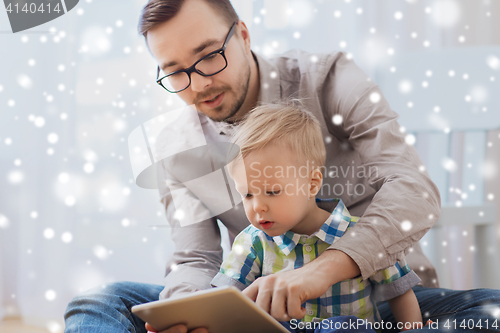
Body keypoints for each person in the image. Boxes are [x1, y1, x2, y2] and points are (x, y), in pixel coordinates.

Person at [63, 0, 500, 332]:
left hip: (371, 299)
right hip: (254, 304)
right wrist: (188, 312)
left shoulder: (329, 78)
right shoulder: (176, 143)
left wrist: (325, 268)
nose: (199, 84)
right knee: (101, 303)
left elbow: (414, 191)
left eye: (209, 55)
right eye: (175, 72)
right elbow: (195, 257)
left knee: (489, 312)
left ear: (244, 35)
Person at [210, 102, 428, 332]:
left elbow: (400, 293)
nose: (258, 207)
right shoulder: (252, 242)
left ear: (312, 184)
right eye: (247, 194)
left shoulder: (361, 236)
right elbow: (224, 299)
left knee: (343, 327)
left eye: (272, 192)